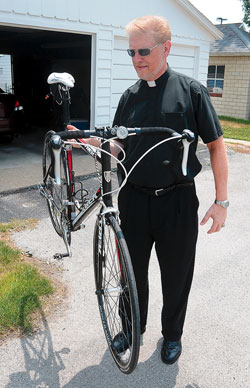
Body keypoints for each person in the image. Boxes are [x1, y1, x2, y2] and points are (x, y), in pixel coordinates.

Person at [69, 14, 228, 365]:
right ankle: (132, 327)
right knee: (130, 273)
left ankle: (172, 336)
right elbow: (118, 148)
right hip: (135, 201)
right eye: (131, 53)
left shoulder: (192, 92)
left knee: (177, 276)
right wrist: (91, 144)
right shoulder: (129, 98)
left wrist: (222, 202)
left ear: (166, 47)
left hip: (178, 202)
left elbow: (217, 147)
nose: (137, 59)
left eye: (143, 51)